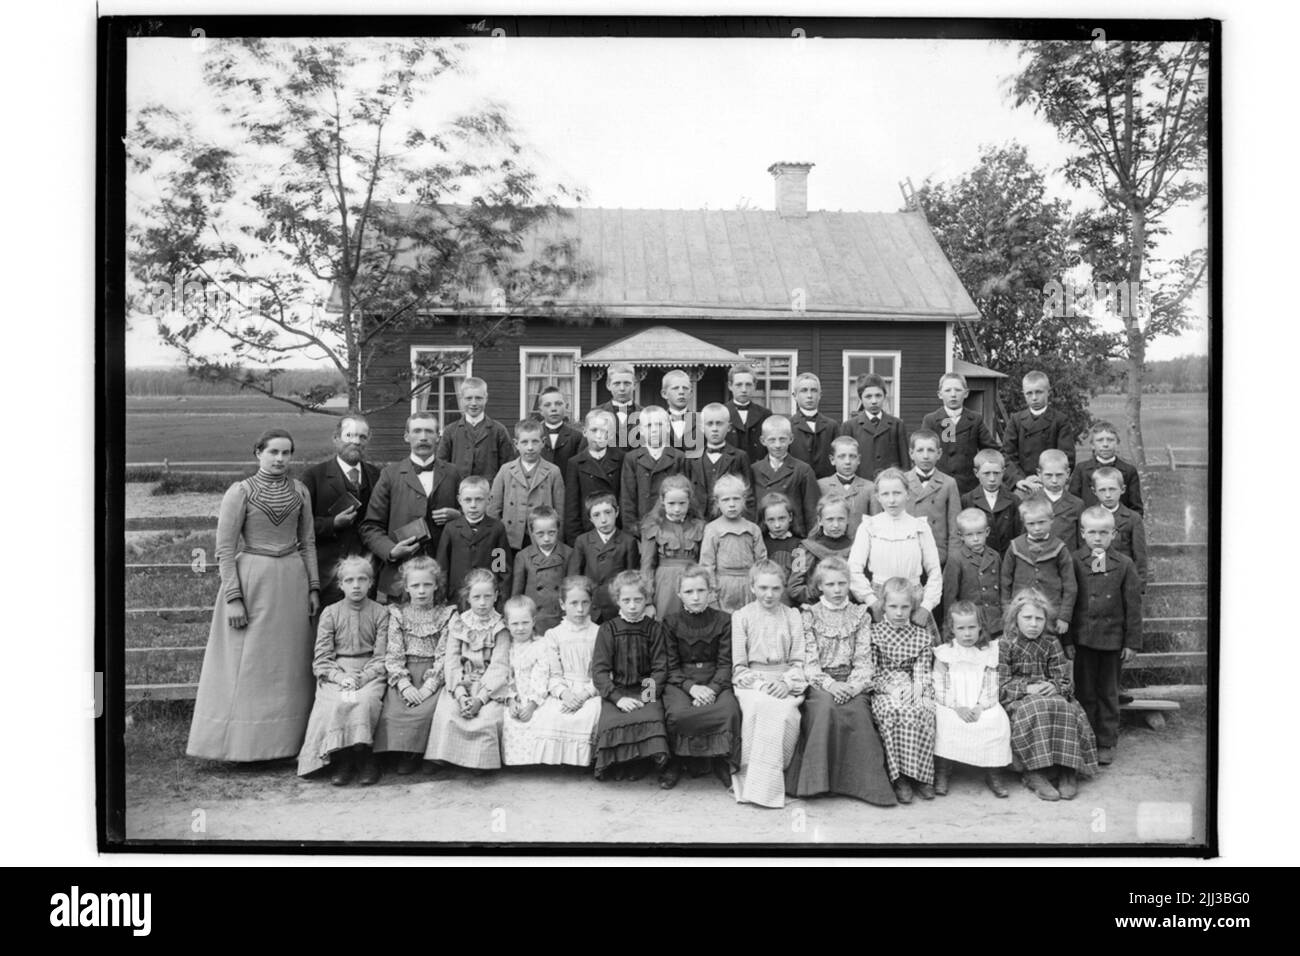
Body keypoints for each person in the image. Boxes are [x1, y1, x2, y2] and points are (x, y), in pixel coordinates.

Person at [187, 428, 321, 762]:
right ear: (257, 453)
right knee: (247, 664)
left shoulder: (301, 491)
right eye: (273, 452)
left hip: (291, 580)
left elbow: (308, 542)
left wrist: (314, 587)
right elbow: (225, 547)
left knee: (289, 663)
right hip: (252, 579)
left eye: (286, 453)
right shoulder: (240, 492)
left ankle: (288, 747)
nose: (280, 459)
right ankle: (239, 747)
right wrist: (233, 597)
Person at [784, 558, 896, 806]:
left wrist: (853, 686)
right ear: (820, 586)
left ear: (849, 585)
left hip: (853, 681)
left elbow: (864, 660)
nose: (837, 590)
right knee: (826, 708)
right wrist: (831, 685)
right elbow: (809, 661)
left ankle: (861, 787)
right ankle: (818, 784)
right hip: (820, 683)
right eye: (830, 584)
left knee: (857, 711)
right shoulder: (809, 615)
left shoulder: (860, 615)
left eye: (842, 584)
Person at [999, 588, 1098, 801]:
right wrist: (1026, 688)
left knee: (1064, 707)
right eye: (1027, 618)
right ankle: (1034, 772)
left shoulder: (1051, 643)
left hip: (1051, 694)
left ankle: (1067, 768)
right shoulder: (1005, 644)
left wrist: (1055, 686)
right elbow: (1000, 685)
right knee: (1036, 708)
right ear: (1015, 618)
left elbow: (1064, 680)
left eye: (1039, 619)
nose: (1033, 624)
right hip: (1020, 699)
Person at [297, 556, 389, 785]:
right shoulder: (330, 613)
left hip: (370, 672)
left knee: (364, 700)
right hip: (338, 672)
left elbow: (383, 657)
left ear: (371, 582)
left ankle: (364, 758)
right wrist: (341, 676)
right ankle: (343, 759)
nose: (356, 585)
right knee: (341, 701)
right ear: (340, 584)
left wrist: (363, 676)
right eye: (349, 580)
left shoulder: (381, 613)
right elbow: (322, 659)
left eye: (362, 579)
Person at [1064, 507, 1143, 766]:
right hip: (1084, 640)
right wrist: (1068, 641)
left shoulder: (1124, 564)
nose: (1098, 538)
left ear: (1114, 534)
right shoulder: (1074, 561)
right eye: (1092, 532)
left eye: (1104, 533)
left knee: (1108, 693)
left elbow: (1133, 606)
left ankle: (1106, 741)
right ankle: (1086, 738)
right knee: (1085, 692)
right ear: (1083, 533)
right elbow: (1069, 602)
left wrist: (1131, 642)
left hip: (1112, 641)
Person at [360, 412, 463, 602]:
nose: (423, 437)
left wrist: (458, 516)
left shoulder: (453, 473)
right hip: (400, 578)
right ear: (406, 436)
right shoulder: (390, 475)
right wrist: (391, 550)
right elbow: (370, 527)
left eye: (429, 431)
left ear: (438, 436)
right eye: (417, 431)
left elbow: (473, 517)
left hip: (443, 578)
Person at [730, 560, 808, 808]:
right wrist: (761, 685)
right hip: (752, 683)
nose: (769, 594)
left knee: (785, 711)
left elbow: (799, 660)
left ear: (783, 588)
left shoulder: (792, 616)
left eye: (775, 588)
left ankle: (775, 779)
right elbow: (739, 666)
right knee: (762, 706)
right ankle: (753, 782)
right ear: (752, 587)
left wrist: (786, 683)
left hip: (786, 680)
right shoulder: (741, 616)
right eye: (763, 588)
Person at [659, 566, 742, 789]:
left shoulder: (724, 620)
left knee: (728, 710)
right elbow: (671, 666)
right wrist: (692, 688)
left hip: (716, 678)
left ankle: (719, 760)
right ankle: (677, 761)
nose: (695, 597)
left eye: (701, 590)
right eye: (688, 592)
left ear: (711, 592)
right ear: (679, 594)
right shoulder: (670, 622)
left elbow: (726, 663)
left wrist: (713, 689)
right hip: (681, 680)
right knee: (677, 713)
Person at [373, 556, 454, 774]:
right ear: (406, 587)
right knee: (393, 711)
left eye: (427, 585)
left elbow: (444, 655)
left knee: (426, 710)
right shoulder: (398, 614)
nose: (421, 591)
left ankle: (420, 755)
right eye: (415, 585)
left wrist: (430, 685)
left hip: (433, 674)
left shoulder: (446, 615)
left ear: (436, 585)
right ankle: (398, 752)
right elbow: (394, 652)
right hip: (405, 671)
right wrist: (404, 684)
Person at [425, 568, 511, 770]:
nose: (482, 603)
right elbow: (452, 661)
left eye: (488, 596)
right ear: (468, 597)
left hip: (488, 687)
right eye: (477, 597)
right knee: (449, 712)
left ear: (496, 596)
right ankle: (445, 757)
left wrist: (480, 699)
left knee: (487, 718)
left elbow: (499, 666)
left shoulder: (501, 626)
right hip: (462, 682)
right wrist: (462, 695)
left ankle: (480, 762)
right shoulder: (459, 623)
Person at [591, 571, 671, 781]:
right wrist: (617, 698)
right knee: (612, 721)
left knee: (650, 717)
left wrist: (646, 696)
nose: (633, 606)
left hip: (646, 690)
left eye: (638, 599)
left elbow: (660, 667)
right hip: (618, 691)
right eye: (626, 600)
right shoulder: (608, 629)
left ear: (646, 599)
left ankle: (641, 763)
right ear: (617, 601)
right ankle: (621, 763)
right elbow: (599, 671)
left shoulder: (654, 629)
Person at [847, 468, 942, 637]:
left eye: (897, 493)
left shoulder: (919, 526)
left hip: (914, 600)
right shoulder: (869, 526)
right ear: (877, 496)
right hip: (881, 599)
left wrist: (926, 606)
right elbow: (853, 568)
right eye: (885, 494)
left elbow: (934, 570)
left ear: (907, 494)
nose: (891, 500)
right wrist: (872, 602)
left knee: (921, 649)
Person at [868, 577, 938, 804]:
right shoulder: (874, 633)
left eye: (905, 607)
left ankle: (922, 776)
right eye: (893, 606)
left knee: (923, 710)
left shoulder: (921, 636)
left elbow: (923, 669)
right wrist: (888, 688)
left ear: (912, 607)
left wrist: (917, 687)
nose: (899, 612)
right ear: (883, 606)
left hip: (912, 685)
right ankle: (900, 777)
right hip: (884, 688)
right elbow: (871, 670)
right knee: (893, 711)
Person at [932, 601, 1012, 798]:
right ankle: (943, 770)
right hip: (952, 704)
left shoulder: (988, 653)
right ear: (952, 629)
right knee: (945, 722)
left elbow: (991, 683)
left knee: (996, 721)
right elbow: (939, 684)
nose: (967, 633)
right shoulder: (945, 653)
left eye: (971, 627)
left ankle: (993, 771)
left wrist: (980, 706)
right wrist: (956, 706)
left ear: (980, 627)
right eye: (961, 628)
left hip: (981, 704)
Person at [300, 413, 381, 608]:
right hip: (327, 573)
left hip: (366, 573)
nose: (356, 442)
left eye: (362, 437)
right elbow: (301, 526)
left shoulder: (377, 475)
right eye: (349, 435)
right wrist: (332, 523)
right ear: (336, 439)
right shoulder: (314, 476)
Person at [532, 576, 603, 766]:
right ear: (562, 604)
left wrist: (584, 695)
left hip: (591, 690)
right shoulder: (554, 635)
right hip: (565, 688)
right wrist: (564, 694)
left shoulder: (599, 633)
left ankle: (586, 761)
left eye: (584, 603)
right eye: (573, 603)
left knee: (590, 714)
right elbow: (553, 674)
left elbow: (603, 672)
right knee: (552, 714)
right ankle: (560, 761)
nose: (580, 609)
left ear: (591, 604)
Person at [1000, 496, 1077, 637]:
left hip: (1050, 613)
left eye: (1042, 522)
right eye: (1031, 524)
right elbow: (1005, 582)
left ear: (1051, 520)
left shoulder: (1059, 548)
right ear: (1024, 523)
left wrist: (1064, 617)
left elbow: (1070, 585)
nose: (1037, 528)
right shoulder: (1015, 547)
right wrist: (1008, 611)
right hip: (1021, 611)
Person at [488, 418, 565, 553]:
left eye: (535, 441)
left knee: (539, 571)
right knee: (501, 569)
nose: (530, 447)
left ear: (543, 442)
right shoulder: (506, 470)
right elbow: (493, 508)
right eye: (524, 442)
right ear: (516, 444)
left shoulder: (553, 471)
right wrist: (495, 539)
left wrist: (557, 541)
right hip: (509, 539)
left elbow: (560, 511)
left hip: (542, 539)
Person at [921, 372, 999, 495]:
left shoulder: (975, 420)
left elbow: (991, 450)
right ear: (940, 395)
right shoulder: (931, 420)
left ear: (966, 393)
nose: (953, 395)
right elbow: (923, 453)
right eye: (948, 390)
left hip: (968, 488)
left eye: (957, 390)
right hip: (938, 487)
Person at [438, 475, 512, 606]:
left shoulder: (497, 529)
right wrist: (442, 597)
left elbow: (501, 567)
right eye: (468, 500)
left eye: (479, 500)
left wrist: (501, 599)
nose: (473, 505)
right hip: (456, 598)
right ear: (459, 500)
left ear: (489, 500)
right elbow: (443, 566)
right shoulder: (451, 529)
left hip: (487, 598)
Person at [640, 474, 707, 619]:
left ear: (689, 501)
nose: (677, 509)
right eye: (671, 504)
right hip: (665, 585)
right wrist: (647, 601)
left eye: (682, 503)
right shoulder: (653, 527)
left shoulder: (699, 526)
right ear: (662, 501)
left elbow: (706, 562)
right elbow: (647, 566)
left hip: (693, 582)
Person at [567, 492, 639, 623]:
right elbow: (574, 577)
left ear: (617, 512)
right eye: (596, 515)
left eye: (608, 512)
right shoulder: (582, 541)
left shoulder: (628, 542)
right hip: (589, 608)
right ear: (590, 518)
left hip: (616, 609)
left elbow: (631, 580)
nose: (604, 519)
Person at [1002, 371, 1077, 495]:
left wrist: (1045, 478)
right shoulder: (1016, 420)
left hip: (1051, 485)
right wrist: (1020, 479)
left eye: (1039, 392)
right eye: (1029, 393)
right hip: (1022, 485)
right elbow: (1007, 455)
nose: (1034, 398)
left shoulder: (1060, 420)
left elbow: (1067, 456)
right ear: (1024, 394)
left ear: (1048, 392)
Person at [699, 474, 766, 612]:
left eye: (736, 499)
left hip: (749, 585)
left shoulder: (753, 529)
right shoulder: (712, 529)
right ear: (717, 503)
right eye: (726, 500)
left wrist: (761, 585)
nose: (731, 504)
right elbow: (707, 564)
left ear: (744, 500)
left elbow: (762, 562)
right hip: (723, 585)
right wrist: (711, 592)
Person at [749, 415, 820, 539]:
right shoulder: (754, 470)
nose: (778, 445)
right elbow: (750, 508)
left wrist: (811, 540)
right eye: (772, 440)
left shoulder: (803, 470)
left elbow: (812, 511)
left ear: (791, 439)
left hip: (795, 536)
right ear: (762, 441)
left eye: (782, 439)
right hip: (763, 536)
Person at [435, 376, 515, 485]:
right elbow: (441, 465)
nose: (473, 403)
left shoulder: (498, 430)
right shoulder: (450, 431)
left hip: (489, 493)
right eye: (469, 398)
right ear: (461, 399)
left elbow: (508, 465)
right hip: (459, 493)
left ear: (486, 398)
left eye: (478, 398)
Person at [620, 405, 684, 538]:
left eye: (659, 425)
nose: (654, 430)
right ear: (641, 430)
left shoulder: (679, 457)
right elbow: (627, 498)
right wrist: (633, 529)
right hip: (642, 527)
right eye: (649, 426)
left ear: (667, 427)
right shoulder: (632, 458)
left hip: (671, 528)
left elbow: (684, 495)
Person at [499, 596, 549, 767]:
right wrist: (511, 700)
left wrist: (532, 704)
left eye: (525, 622)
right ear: (506, 624)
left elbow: (542, 677)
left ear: (533, 621)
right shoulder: (507, 647)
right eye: (515, 624)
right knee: (508, 718)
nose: (520, 628)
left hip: (537, 698)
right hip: (515, 696)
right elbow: (506, 676)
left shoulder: (540, 645)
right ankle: (515, 763)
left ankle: (536, 762)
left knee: (537, 719)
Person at [563, 409, 624, 543]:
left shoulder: (621, 459)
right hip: (587, 531)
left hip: (615, 530)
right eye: (594, 430)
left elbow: (624, 498)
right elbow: (572, 505)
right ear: (585, 432)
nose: (599, 435)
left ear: (612, 435)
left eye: (605, 431)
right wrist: (575, 539)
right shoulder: (575, 463)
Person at [941, 508, 1004, 638]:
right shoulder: (956, 559)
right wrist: (950, 624)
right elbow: (950, 596)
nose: (975, 539)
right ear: (961, 536)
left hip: (995, 621)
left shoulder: (995, 556)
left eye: (979, 533)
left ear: (987, 532)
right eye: (969, 535)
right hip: (970, 622)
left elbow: (1002, 589)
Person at [510, 506, 572, 634]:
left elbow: (572, 591)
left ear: (558, 530)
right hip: (534, 621)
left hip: (561, 620)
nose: (546, 539)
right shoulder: (523, 556)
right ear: (531, 532)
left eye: (551, 532)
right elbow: (517, 594)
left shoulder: (569, 553)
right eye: (540, 534)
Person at [685, 402, 753, 519]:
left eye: (719, 424)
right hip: (698, 522)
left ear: (729, 427)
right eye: (709, 424)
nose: (714, 429)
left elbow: (749, 496)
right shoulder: (691, 458)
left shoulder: (739, 457)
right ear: (701, 427)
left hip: (730, 521)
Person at [904, 429, 962, 566]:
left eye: (930, 450)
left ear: (939, 453)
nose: (925, 456)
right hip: (907, 551)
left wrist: (953, 560)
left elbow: (955, 526)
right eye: (920, 450)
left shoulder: (949, 483)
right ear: (911, 454)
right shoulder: (902, 481)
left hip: (937, 553)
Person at [788, 493, 855, 606]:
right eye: (830, 519)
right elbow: (794, 588)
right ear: (820, 520)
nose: (836, 525)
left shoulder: (856, 547)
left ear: (848, 519)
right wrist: (822, 596)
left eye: (841, 519)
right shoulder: (804, 548)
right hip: (816, 607)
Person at [838, 372, 908, 479]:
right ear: (860, 399)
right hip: (861, 486)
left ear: (885, 396)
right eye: (868, 397)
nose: (874, 401)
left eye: (878, 396)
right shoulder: (849, 427)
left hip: (890, 486)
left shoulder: (897, 425)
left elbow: (905, 462)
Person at [1068, 420, 1145, 514]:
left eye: (1110, 440)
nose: (1105, 445)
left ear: (1117, 443)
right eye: (1100, 440)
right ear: (1092, 445)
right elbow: (1073, 503)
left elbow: (1135, 507)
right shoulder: (1081, 469)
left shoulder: (1129, 471)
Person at [1091, 467, 1149, 589]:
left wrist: (1139, 585)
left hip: (1124, 580)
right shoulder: (1089, 517)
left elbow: (1140, 555)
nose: (1108, 495)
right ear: (1094, 491)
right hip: (1096, 581)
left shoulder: (1133, 518)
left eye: (1112, 489)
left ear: (1122, 489)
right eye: (1102, 490)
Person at [960, 448, 1021, 556]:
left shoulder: (1014, 501)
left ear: (1003, 472)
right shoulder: (967, 500)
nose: (992, 479)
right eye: (986, 473)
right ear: (976, 473)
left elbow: (1020, 536)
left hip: (1007, 559)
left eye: (996, 473)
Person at [817, 436, 875, 532]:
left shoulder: (870, 487)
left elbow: (875, 521)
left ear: (859, 459)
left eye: (852, 456)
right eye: (842, 456)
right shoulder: (821, 486)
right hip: (830, 544)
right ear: (832, 459)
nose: (847, 462)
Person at [788, 372, 838, 480]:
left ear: (820, 395)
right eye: (804, 390)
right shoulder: (788, 426)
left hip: (826, 486)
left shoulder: (832, 426)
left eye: (814, 391)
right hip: (797, 484)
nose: (809, 396)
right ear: (794, 396)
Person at [533, 384, 587, 477]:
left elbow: (581, 469)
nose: (553, 408)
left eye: (558, 404)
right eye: (547, 405)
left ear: (566, 406)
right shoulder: (533, 435)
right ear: (540, 410)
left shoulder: (577, 437)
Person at [723, 363, 772, 463]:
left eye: (748, 385)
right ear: (730, 386)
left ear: (754, 386)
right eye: (739, 384)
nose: (744, 390)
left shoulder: (765, 415)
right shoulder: (720, 413)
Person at [1037, 449, 1084, 551]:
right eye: (1048, 475)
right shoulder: (1031, 502)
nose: (1054, 480)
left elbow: (1082, 543)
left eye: (1059, 475)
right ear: (1039, 474)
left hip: (1067, 562)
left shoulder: (1077, 505)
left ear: (1067, 473)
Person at [594, 361, 641, 452]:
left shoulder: (645, 414)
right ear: (608, 386)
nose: (622, 388)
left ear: (634, 385)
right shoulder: (596, 413)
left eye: (627, 383)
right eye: (617, 383)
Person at [759, 492, 801, 587]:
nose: (777, 525)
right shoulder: (761, 543)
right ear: (764, 520)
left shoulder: (799, 545)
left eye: (781, 518)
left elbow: (800, 575)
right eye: (771, 520)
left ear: (790, 517)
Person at [661, 368, 701, 457]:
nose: (681, 392)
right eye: (675, 388)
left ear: (691, 393)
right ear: (664, 394)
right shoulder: (657, 422)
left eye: (685, 388)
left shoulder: (702, 422)